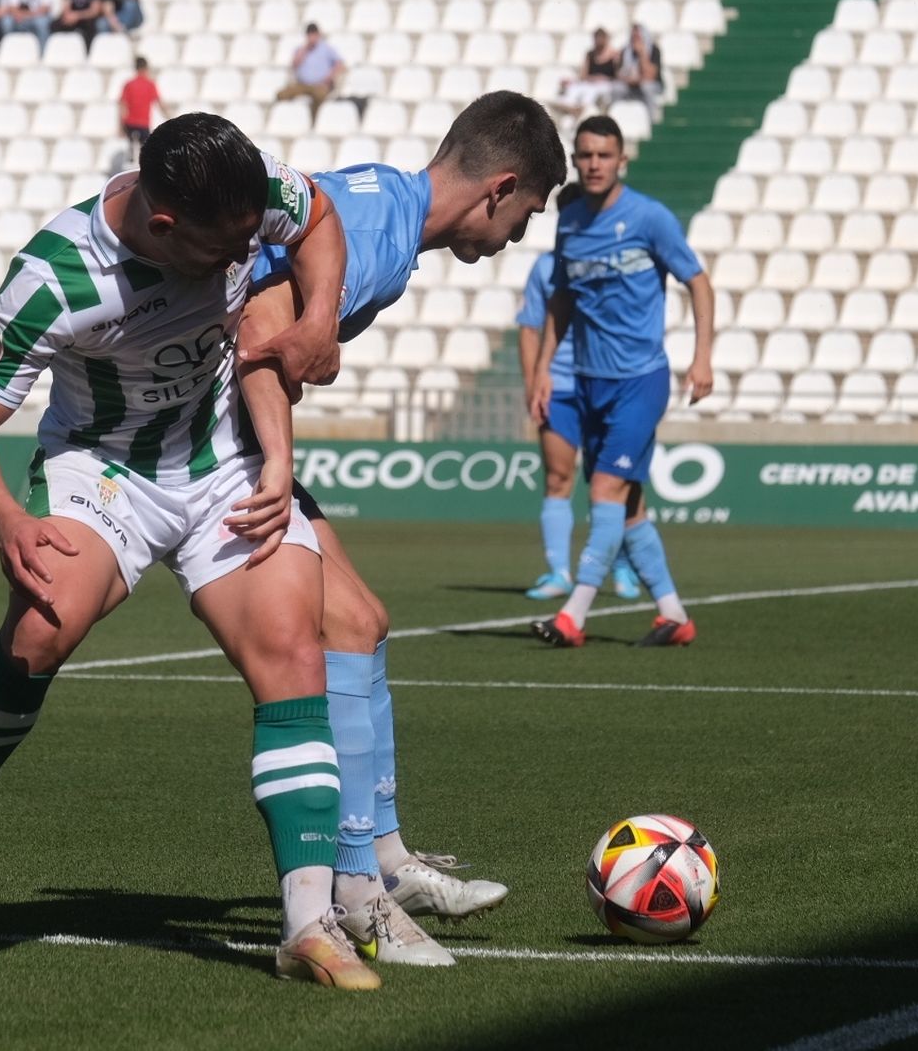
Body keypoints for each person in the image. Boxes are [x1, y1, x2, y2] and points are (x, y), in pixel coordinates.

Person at [0, 112, 362, 985]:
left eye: (248, 240)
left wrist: (317, 318)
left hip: (220, 459)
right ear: (162, 225)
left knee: (292, 643)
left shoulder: (246, 190)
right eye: (220, 248)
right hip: (103, 470)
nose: (239, 258)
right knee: (41, 629)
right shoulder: (55, 275)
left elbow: (319, 220)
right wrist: (8, 519)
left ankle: (308, 924)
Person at [243, 92, 568, 966]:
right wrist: (277, 459)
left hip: (224, 430)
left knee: (364, 620)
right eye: (528, 215)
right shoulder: (380, 234)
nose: (521, 237)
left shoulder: (382, 207)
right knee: (337, 628)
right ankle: (360, 892)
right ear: (500, 190)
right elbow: (260, 324)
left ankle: (382, 862)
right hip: (202, 447)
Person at [529, 115, 714, 649]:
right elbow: (561, 299)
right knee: (627, 506)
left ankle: (573, 616)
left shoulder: (649, 218)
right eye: (584, 155)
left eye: (603, 156)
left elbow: (698, 283)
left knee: (606, 490)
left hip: (640, 380)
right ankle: (674, 615)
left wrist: (702, 359)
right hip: (587, 382)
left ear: (621, 160)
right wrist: (544, 370)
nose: (592, 164)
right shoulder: (569, 223)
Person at [517, 182, 643, 604]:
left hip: (608, 382)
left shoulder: (613, 263)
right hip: (561, 386)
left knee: (610, 481)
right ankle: (558, 572)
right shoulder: (545, 268)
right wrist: (535, 379)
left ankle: (622, 566)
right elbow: (529, 328)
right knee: (558, 477)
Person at [275, 23, 345, 116]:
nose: (312, 37)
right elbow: (294, 65)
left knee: (319, 96)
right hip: (302, 85)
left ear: (318, 35)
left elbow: (340, 64)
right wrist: (304, 50)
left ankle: (314, 121)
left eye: (314, 34)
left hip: (320, 85)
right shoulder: (300, 49)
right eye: (309, 34)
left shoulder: (326, 49)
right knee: (282, 95)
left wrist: (329, 77)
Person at [554, 28, 621, 118]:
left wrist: (603, 77)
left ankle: (581, 109)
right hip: (590, 82)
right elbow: (583, 75)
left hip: (606, 84)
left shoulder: (614, 55)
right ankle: (569, 106)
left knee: (591, 92)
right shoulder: (590, 54)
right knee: (575, 88)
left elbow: (618, 76)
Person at [118, 56, 165, 154]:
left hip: (130, 123)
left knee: (131, 154)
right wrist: (169, 117)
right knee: (145, 154)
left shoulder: (129, 84)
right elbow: (160, 103)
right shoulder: (150, 84)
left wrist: (121, 125)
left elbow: (123, 105)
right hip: (143, 124)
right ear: (146, 68)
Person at [617, 24, 663, 115]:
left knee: (647, 88)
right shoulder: (625, 51)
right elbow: (619, 74)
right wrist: (628, 79)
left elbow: (651, 75)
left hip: (650, 84)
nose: (635, 40)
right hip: (630, 84)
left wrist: (642, 54)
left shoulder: (654, 50)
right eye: (633, 37)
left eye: (637, 37)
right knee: (616, 89)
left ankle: (651, 118)